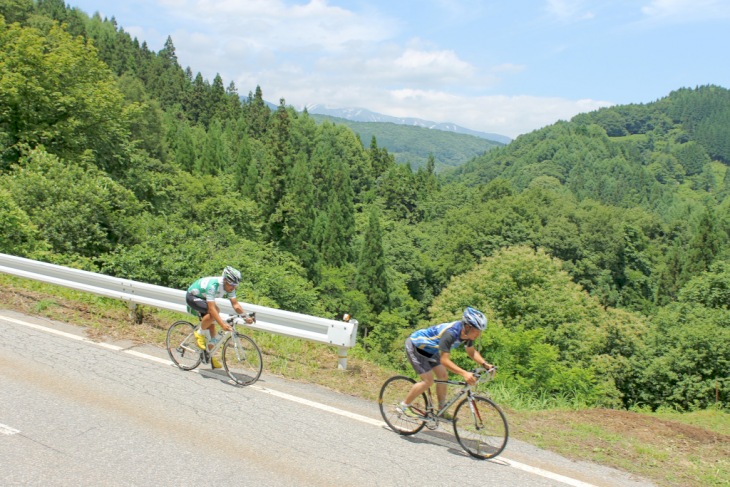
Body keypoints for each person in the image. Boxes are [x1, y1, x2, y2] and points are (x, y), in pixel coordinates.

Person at [398, 307, 494, 418]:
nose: (478, 334)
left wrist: (485, 364)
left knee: (443, 376)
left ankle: (441, 411)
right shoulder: (450, 334)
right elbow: (444, 360)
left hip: (431, 350)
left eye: (479, 331)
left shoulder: (468, 334)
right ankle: (404, 406)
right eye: (477, 331)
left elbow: (471, 352)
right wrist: (464, 373)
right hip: (416, 346)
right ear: (467, 326)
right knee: (428, 381)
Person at [185, 266, 253, 369]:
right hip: (193, 297)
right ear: (225, 280)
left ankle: (209, 355)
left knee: (212, 327)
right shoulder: (214, 285)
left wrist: (245, 316)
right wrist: (222, 324)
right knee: (215, 312)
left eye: (236, 285)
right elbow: (212, 309)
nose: (233, 288)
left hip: (204, 299)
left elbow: (236, 305)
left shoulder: (230, 286)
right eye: (232, 285)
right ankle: (199, 333)